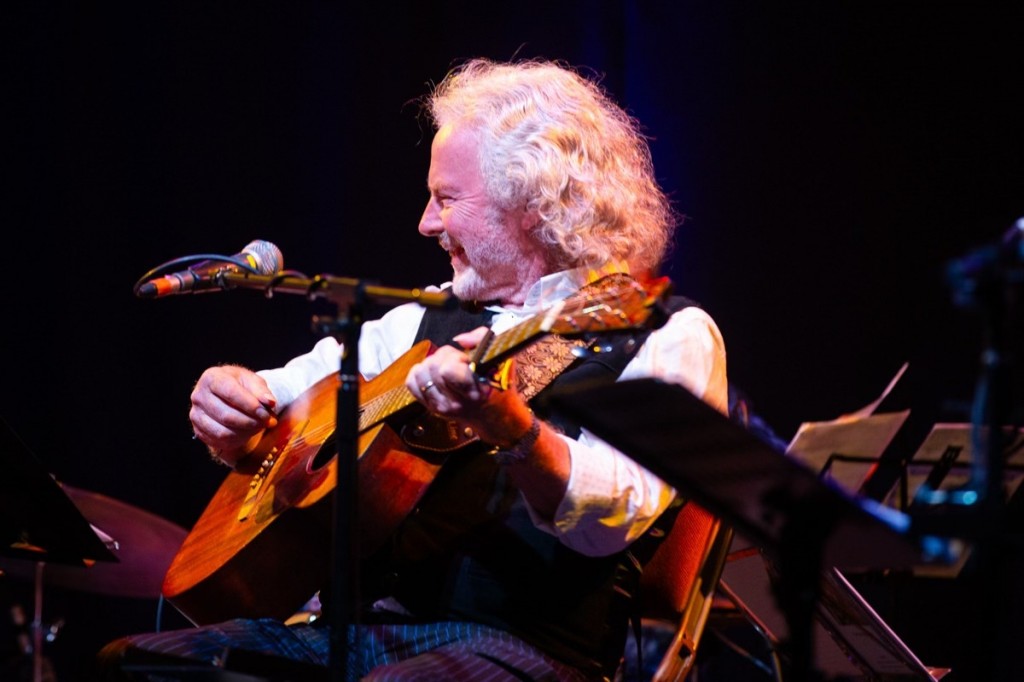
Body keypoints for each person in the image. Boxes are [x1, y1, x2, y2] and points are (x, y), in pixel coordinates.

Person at [97, 57, 728, 681]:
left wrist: (514, 430)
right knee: (134, 664)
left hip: (527, 651)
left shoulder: (663, 332)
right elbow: (285, 393)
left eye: (446, 199)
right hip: (357, 631)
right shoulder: (416, 322)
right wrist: (230, 405)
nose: (425, 223)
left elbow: (607, 522)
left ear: (534, 204)